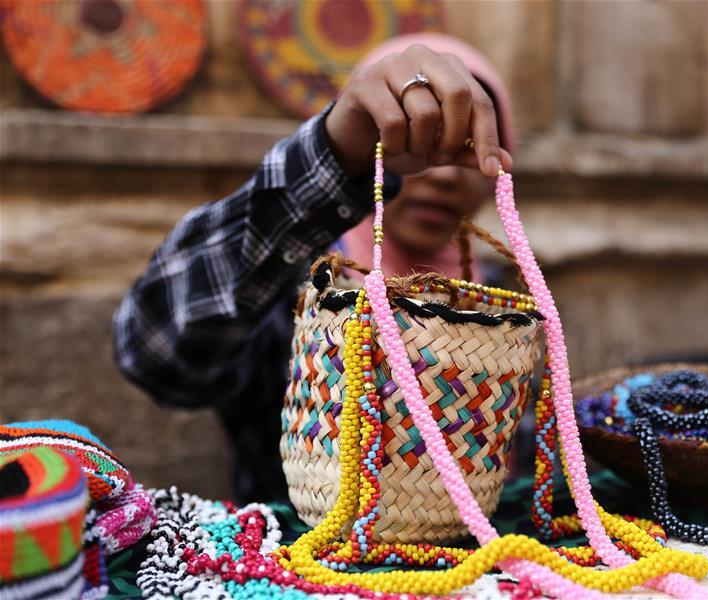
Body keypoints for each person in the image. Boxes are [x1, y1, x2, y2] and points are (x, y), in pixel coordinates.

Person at [112, 34, 516, 502]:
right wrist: (334, 153)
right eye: (422, 135)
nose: (445, 174)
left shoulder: (499, 298)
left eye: (464, 145)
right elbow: (155, 354)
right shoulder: (300, 284)